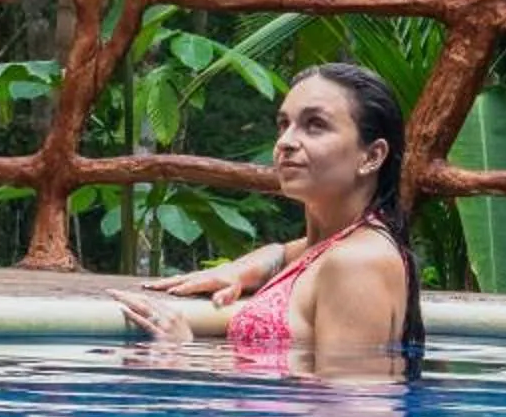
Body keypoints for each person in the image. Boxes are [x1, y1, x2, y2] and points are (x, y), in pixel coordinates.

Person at [109, 61, 425, 362]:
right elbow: (287, 253)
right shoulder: (333, 245)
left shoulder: (358, 262)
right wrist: (242, 268)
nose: (286, 142)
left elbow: (347, 411)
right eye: (284, 124)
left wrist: (186, 355)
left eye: (315, 125)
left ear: (372, 156)